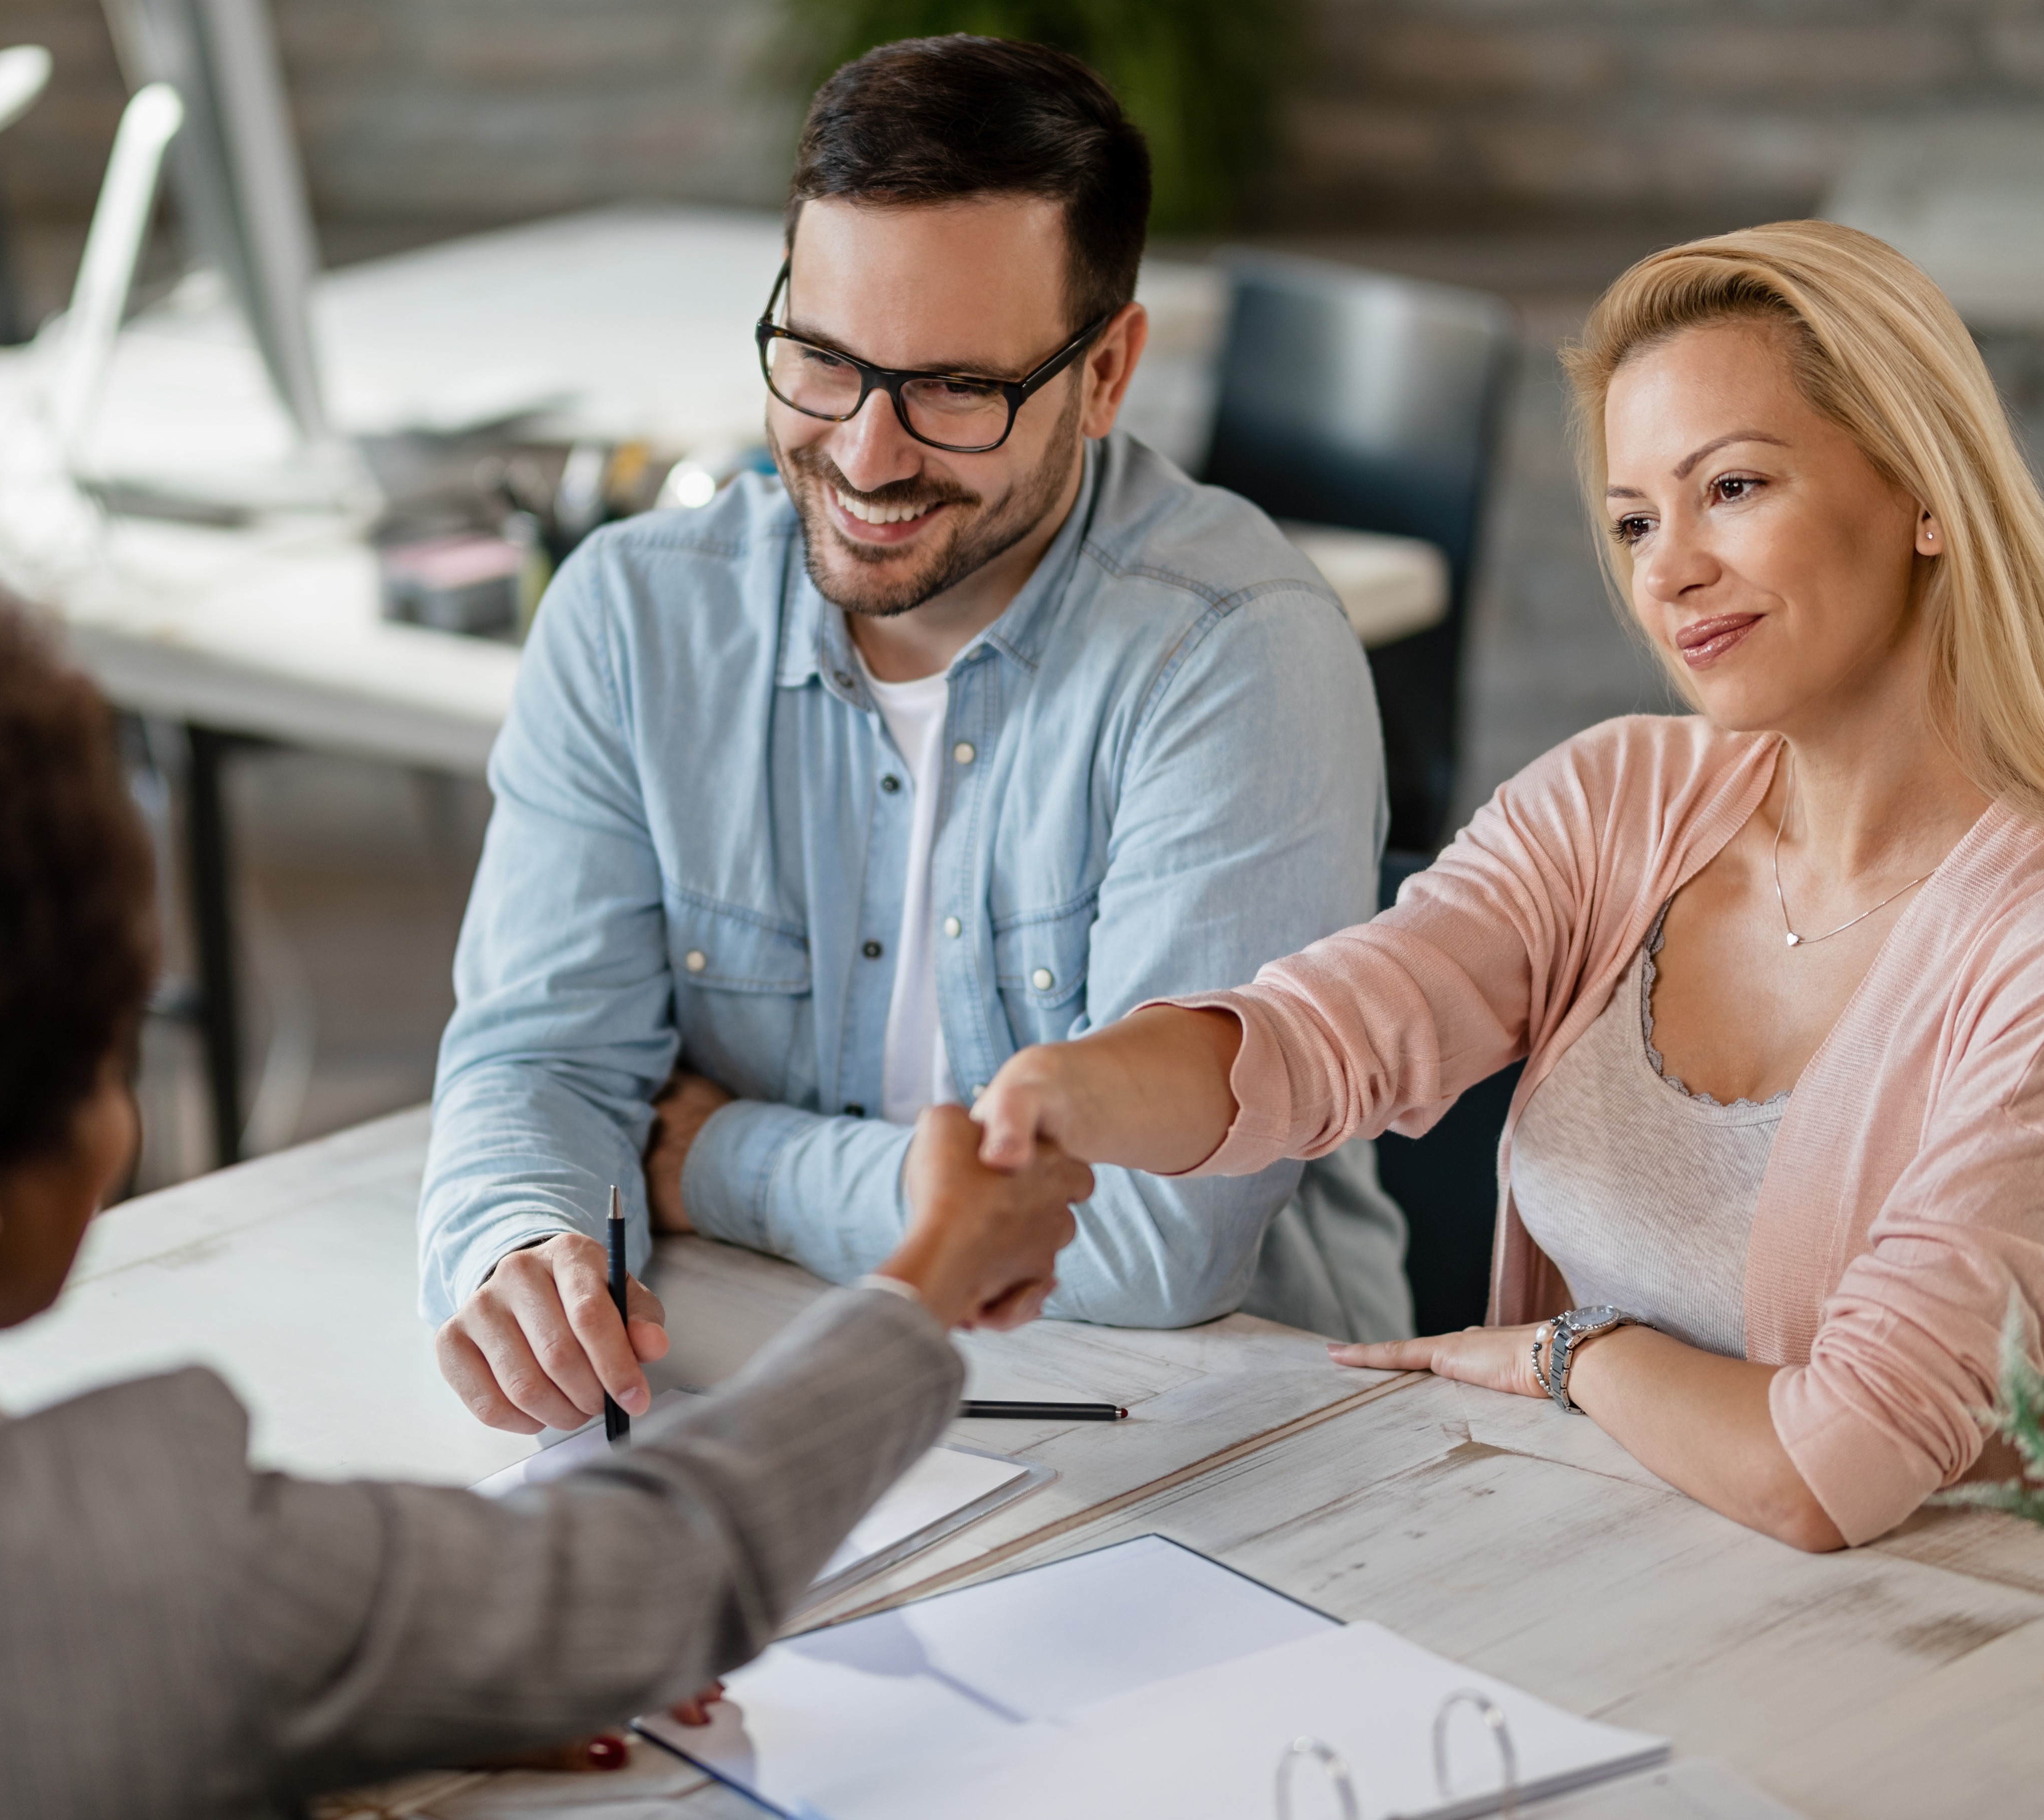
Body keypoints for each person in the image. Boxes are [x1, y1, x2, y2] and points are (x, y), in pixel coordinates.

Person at [0, 567, 1089, 1817]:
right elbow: (657, 1574)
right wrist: (926, 1277)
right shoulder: (149, 1565)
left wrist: (308, 1708)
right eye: (102, 1055)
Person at [969, 219, 2044, 1554]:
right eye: (1635, 521)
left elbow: (1838, 1466)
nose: (1669, 571)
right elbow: (1326, 1035)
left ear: (1924, 492)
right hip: (1593, 1561)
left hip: (1934, 1630)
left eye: (1732, 488)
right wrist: (1061, 1096)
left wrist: (1568, 1355)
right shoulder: (1616, 802)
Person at [419, 34, 1408, 1440]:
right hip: (763, 1374)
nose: (867, 455)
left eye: (955, 389)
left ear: (1105, 372)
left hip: (1219, 1438)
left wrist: (724, 1159)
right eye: (823, 361)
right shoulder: (633, 620)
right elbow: (541, 1064)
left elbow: (1152, 1243)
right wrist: (522, 1241)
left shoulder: (1235, 650)